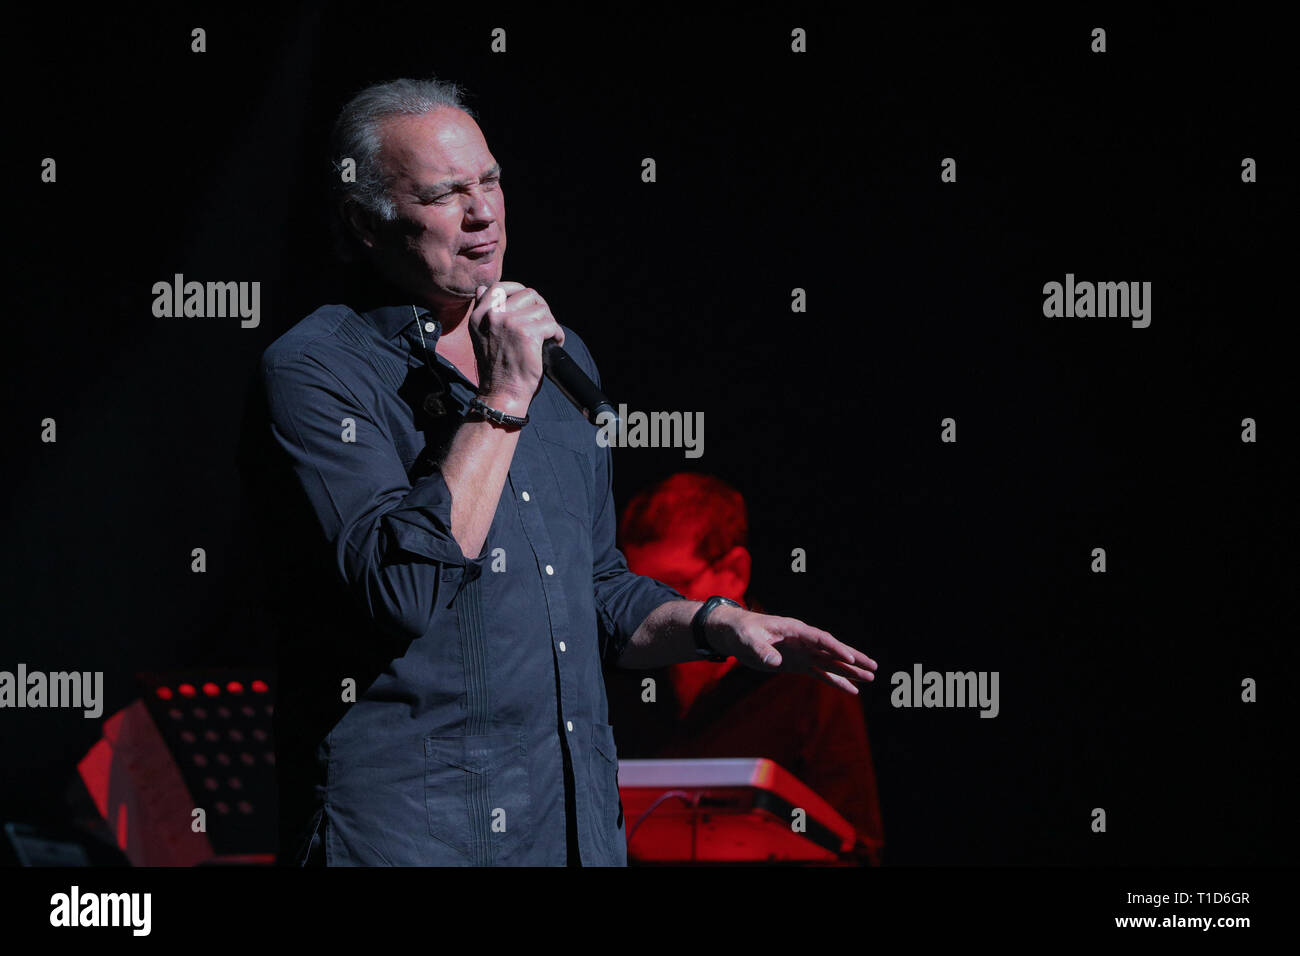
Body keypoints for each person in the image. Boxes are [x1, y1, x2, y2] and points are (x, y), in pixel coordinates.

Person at [250, 77, 877, 866]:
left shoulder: (557, 352)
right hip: (414, 836)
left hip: (566, 826)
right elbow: (403, 589)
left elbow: (600, 593)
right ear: (364, 222)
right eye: (446, 194)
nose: (483, 212)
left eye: (490, 180)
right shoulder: (318, 371)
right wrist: (505, 396)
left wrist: (717, 623)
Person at [607, 473, 885, 864]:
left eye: (671, 585)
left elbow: (858, 851)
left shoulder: (808, 689)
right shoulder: (624, 681)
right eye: (640, 591)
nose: (655, 611)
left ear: (734, 572)